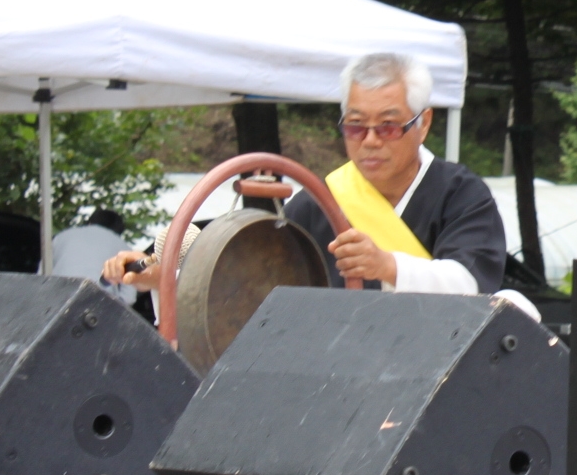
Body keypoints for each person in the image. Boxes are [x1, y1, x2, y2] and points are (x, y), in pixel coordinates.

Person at [104, 52, 511, 298]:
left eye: (388, 126)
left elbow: (472, 286)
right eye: (355, 126)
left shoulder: (461, 195)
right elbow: (258, 277)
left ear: (423, 124)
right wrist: (165, 277)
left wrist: (387, 265)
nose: (370, 141)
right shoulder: (323, 200)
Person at [51, 208, 136, 304]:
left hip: (56, 297)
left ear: (90, 223)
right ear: (118, 232)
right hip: (98, 303)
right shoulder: (124, 249)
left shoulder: (61, 237)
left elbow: (41, 276)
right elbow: (129, 297)